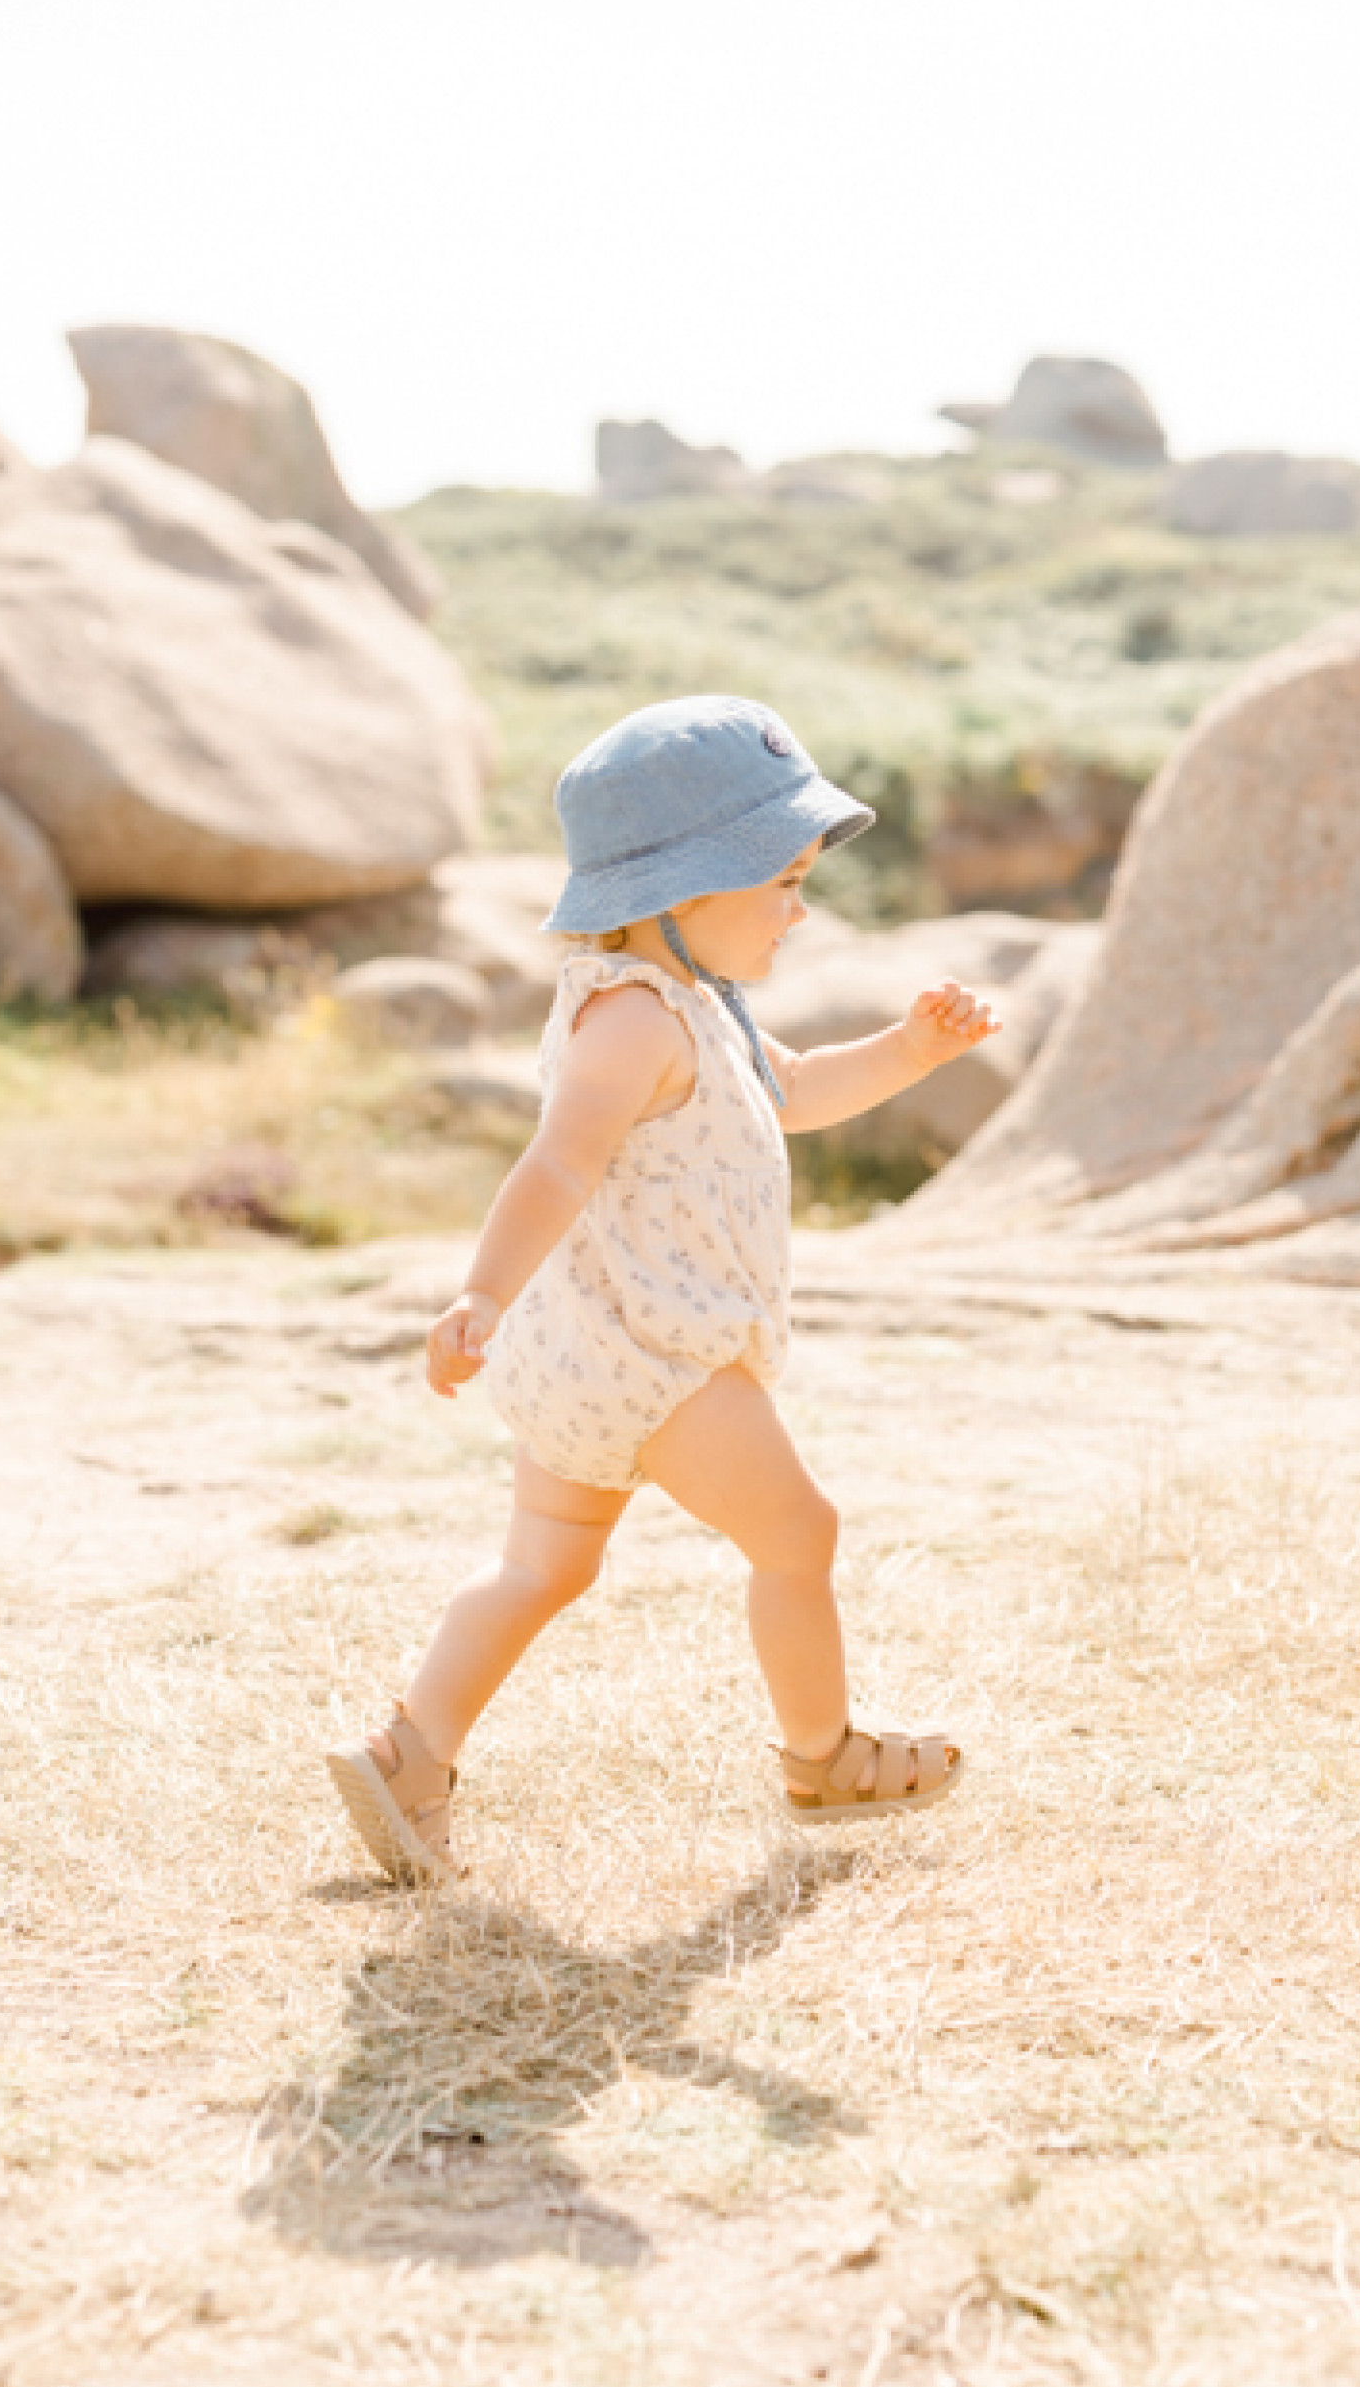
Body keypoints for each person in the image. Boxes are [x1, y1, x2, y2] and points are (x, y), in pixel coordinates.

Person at [327, 694, 1000, 1884]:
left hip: (592, 1355)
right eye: (782, 883)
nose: (800, 911)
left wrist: (911, 1052)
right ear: (686, 888)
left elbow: (792, 1089)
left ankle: (410, 1756)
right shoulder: (631, 1022)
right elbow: (557, 1164)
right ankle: (824, 1753)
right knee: (801, 1531)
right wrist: (478, 1293)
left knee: (546, 1566)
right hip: (656, 1355)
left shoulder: (692, 1001)